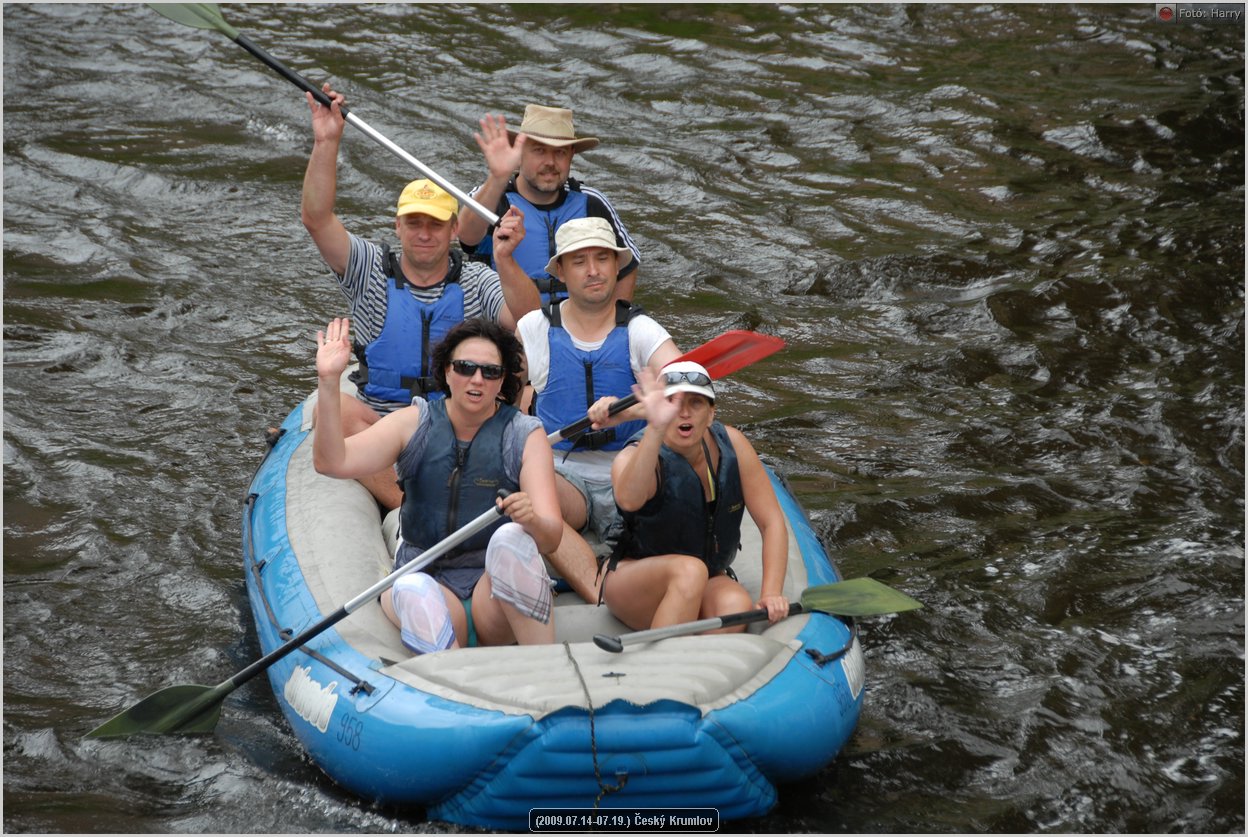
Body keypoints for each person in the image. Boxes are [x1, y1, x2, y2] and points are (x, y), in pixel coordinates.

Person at [302, 83, 542, 509]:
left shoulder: (477, 279)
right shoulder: (368, 269)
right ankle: (406, 505)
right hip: (383, 423)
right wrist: (326, 141)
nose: (424, 233)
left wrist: (506, 259)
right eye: (414, 223)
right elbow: (317, 218)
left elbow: (528, 321)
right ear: (398, 227)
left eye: (435, 224)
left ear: (454, 231)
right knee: (332, 409)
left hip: (458, 425)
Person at [313, 316, 563, 654]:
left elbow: (551, 537)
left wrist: (530, 519)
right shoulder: (414, 423)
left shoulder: (524, 435)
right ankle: (455, 691)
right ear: (447, 372)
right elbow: (332, 462)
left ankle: (547, 668)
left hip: (492, 596)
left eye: (490, 371)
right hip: (427, 580)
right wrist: (329, 382)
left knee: (511, 537)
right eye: (465, 367)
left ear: (502, 380)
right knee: (414, 588)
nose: (477, 379)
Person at [515, 217, 681, 603]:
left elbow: (686, 392)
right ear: (560, 271)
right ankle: (598, 586)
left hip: (628, 470)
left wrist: (629, 413)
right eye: (579, 261)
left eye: (603, 258)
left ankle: (629, 560)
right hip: (562, 470)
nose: (593, 271)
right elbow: (500, 398)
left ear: (615, 265)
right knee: (533, 494)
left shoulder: (642, 330)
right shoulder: (533, 329)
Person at [601, 362, 790, 633]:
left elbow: (771, 522)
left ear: (711, 414)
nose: (684, 412)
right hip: (633, 578)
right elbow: (629, 500)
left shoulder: (733, 445)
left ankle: (691, 657)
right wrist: (656, 427)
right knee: (690, 571)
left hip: (706, 576)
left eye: (696, 403)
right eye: (673, 403)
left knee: (736, 605)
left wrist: (771, 593)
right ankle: (660, 662)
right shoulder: (635, 455)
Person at [458, 104, 642, 305]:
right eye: (539, 151)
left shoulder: (591, 202)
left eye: (560, 153)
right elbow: (467, 237)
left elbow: (627, 266)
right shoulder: (492, 196)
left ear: (571, 155)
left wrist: (615, 322)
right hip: (505, 324)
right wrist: (497, 177)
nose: (550, 162)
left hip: (578, 324)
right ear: (520, 153)